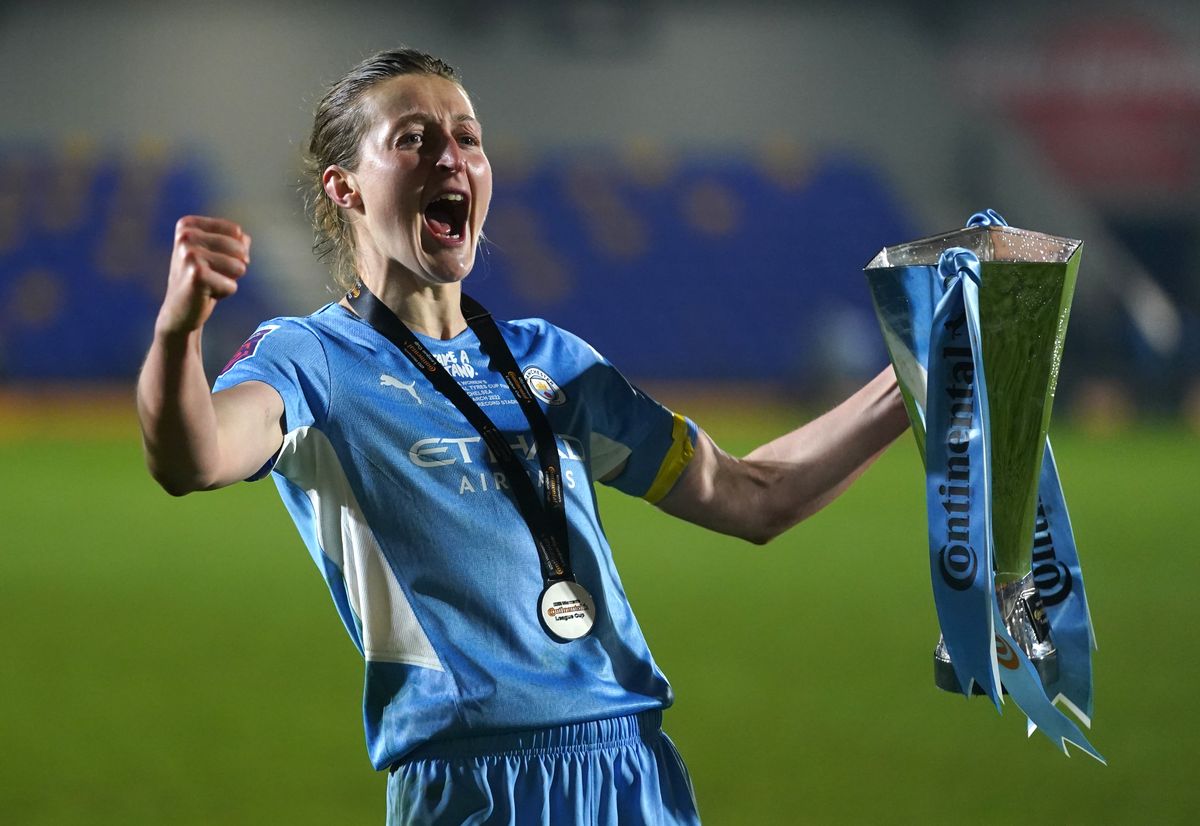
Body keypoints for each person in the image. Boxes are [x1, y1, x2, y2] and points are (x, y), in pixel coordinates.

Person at [137, 48, 909, 825]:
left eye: (467, 138)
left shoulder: (555, 363)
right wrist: (178, 334)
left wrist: (922, 368)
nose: (451, 156)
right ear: (345, 188)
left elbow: (750, 496)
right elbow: (192, 457)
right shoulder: (314, 359)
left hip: (631, 770)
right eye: (413, 139)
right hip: (476, 785)